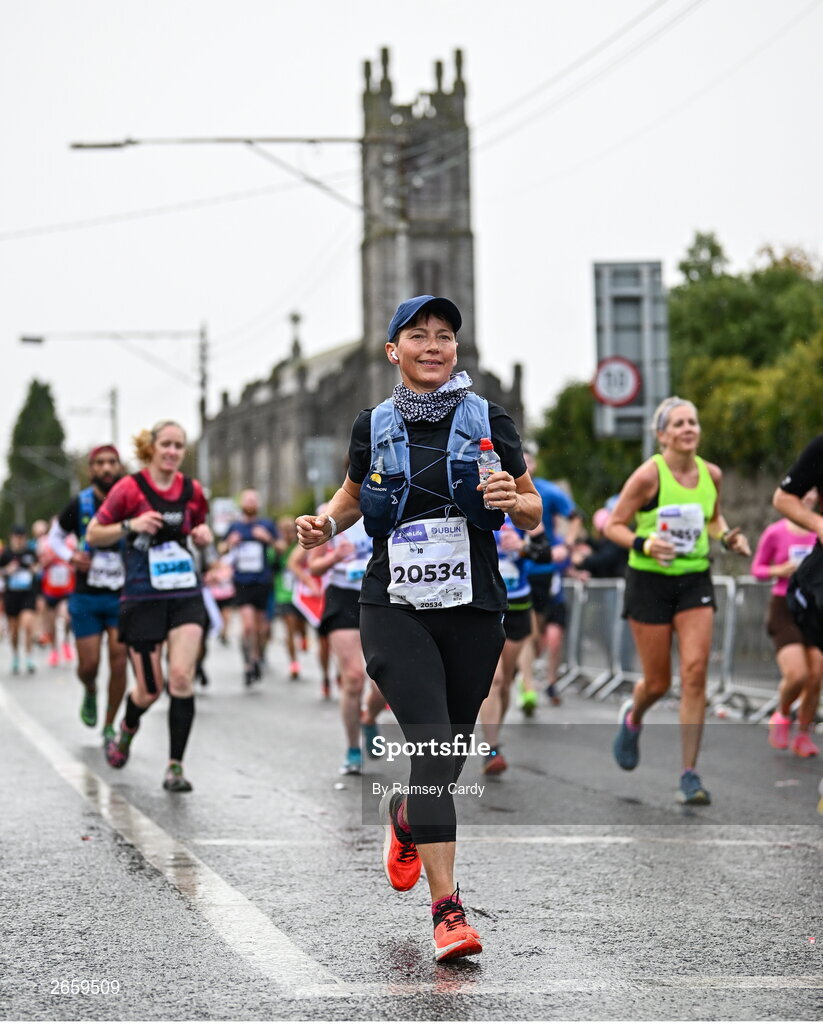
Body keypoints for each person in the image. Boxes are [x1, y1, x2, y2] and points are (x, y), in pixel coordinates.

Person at [297, 294, 540, 961]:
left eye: (444, 337)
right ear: (392, 351)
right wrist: (325, 523)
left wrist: (511, 502)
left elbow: (532, 508)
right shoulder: (370, 425)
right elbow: (350, 498)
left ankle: (407, 817)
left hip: (473, 605)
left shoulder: (490, 419)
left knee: (446, 757)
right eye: (418, 335)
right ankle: (447, 911)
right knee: (432, 749)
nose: (433, 346)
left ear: (455, 351)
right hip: (393, 605)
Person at [605, 396, 750, 805]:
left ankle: (689, 773)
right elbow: (614, 525)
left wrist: (727, 537)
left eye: (693, 422)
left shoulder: (712, 474)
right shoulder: (648, 476)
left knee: (695, 672)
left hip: (693, 579)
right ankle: (634, 716)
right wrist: (645, 542)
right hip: (648, 582)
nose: (689, 428)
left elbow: (714, 517)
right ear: (662, 434)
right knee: (658, 682)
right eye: (680, 423)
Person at [86, 420, 212, 793]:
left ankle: (175, 766)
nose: (173, 452)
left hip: (185, 593)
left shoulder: (192, 491)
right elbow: (94, 533)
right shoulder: (130, 488)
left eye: (179, 445)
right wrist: (131, 524)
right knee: (150, 689)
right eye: (166, 445)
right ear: (152, 448)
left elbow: (200, 530)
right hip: (142, 599)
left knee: (181, 679)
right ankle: (127, 727)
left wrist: (203, 536)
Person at [48, 445, 129, 743]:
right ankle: (90, 689)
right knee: (89, 665)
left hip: (122, 596)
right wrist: (70, 557)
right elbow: (54, 538)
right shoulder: (79, 503)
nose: (107, 468)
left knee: (120, 659)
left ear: (120, 467)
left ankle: (110, 724)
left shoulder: (130, 502)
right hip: (86, 596)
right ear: (91, 469)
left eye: (112, 463)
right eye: (100, 463)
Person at [306, 514, 385, 775]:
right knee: (352, 678)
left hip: (382, 596)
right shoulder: (330, 512)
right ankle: (353, 749)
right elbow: (314, 566)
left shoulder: (392, 501)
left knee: (386, 680)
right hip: (343, 599)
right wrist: (335, 556)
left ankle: (369, 718)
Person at [479, 516, 552, 774]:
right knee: (494, 679)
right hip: (485, 605)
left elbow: (545, 553)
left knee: (506, 682)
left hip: (517, 607)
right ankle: (491, 749)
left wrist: (522, 547)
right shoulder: (469, 497)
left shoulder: (520, 505)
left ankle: (493, 740)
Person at [751, 491, 821, 757]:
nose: (808, 496)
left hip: (813, 608)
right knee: (798, 673)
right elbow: (756, 570)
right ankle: (781, 715)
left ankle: (803, 735)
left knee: (816, 674)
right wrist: (778, 571)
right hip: (784, 606)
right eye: (803, 491)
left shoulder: (819, 531)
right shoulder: (775, 533)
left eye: (813, 491)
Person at [520, 452, 582, 706]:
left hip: (547, 571)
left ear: (535, 464)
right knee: (531, 635)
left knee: (551, 635)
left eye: (529, 461)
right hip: (520, 573)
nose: (525, 466)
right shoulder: (502, 487)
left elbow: (576, 516)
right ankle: (526, 681)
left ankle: (547, 682)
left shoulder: (547, 490)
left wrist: (567, 546)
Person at [226, 490, 282, 687]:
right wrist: (229, 544)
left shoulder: (266, 524)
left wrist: (268, 539)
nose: (250, 503)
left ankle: (256, 657)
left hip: (262, 581)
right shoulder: (234, 526)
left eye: (253, 500)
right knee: (248, 626)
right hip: (241, 582)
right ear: (241, 503)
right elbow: (221, 550)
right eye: (247, 500)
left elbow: (281, 547)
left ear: (258, 504)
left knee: (260, 628)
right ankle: (248, 664)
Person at [0, 526, 39, 674]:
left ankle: (29, 656)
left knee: (28, 625)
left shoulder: (30, 552)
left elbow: (38, 565)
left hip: (27, 594)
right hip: (12, 595)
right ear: (12, 537)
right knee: (14, 630)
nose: (19, 539)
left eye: (21, 536)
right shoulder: (6, 554)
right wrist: (6, 570)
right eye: (16, 536)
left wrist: (34, 569)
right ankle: (16, 656)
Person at [273, 517, 308, 680]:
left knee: (301, 626)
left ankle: (304, 636)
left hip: (301, 593)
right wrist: (275, 552)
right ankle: (293, 662)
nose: (288, 533)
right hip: (283, 593)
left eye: (290, 529)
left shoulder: (300, 545)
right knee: (289, 629)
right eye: (284, 530)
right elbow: (270, 564)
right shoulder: (277, 547)